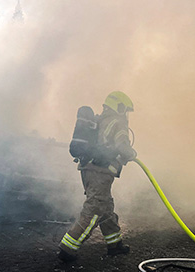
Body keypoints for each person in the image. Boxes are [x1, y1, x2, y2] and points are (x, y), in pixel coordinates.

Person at [58, 91, 138, 262]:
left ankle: (114, 245)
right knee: (94, 208)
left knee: (106, 207)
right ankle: (68, 247)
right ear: (120, 106)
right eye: (125, 110)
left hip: (88, 169)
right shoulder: (117, 122)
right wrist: (131, 153)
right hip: (101, 172)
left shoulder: (100, 120)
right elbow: (122, 145)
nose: (126, 114)